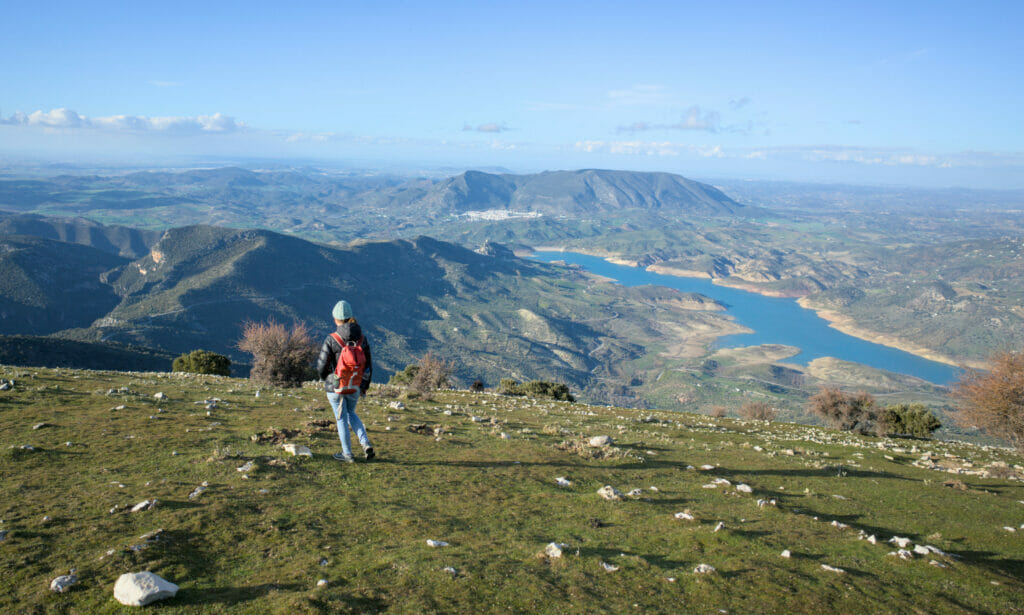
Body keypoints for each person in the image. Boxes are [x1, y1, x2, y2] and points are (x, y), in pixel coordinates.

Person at [316, 300, 375, 462]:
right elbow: (368, 366)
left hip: (336, 387)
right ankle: (365, 443)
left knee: (341, 418)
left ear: (335, 319)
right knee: (351, 413)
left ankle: (347, 454)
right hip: (355, 385)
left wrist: (327, 380)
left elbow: (322, 366)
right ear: (350, 317)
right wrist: (364, 386)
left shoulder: (332, 339)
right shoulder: (362, 339)